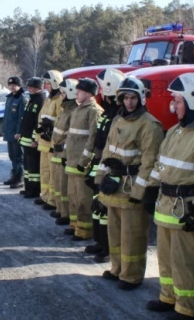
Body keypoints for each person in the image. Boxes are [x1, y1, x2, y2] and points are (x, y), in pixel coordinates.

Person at [143, 73, 194, 320]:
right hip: (166, 207)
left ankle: (188, 308)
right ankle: (169, 297)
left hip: (185, 210)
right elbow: (161, 163)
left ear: (193, 100)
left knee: (186, 263)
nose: (173, 105)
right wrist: (150, 187)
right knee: (166, 259)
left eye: (177, 100)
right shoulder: (176, 131)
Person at [95, 76, 164, 290]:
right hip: (114, 186)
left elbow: (149, 161)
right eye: (125, 97)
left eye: (133, 97)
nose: (129, 102)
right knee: (114, 232)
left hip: (131, 187)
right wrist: (99, 178)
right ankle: (117, 269)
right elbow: (108, 151)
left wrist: (139, 191)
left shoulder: (150, 125)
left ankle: (131, 275)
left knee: (132, 236)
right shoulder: (118, 120)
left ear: (141, 98)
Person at [84, 68, 125, 262]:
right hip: (99, 165)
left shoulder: (117, 116)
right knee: (97, 206)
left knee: (105, 209)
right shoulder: (108, 113)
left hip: (108, 168)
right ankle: (100, 242)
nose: (99, 91)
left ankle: (108, 248)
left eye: (102, 87)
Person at [64, 78, 103, 241]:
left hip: (82, 162)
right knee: (73, 196)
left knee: (83, 199)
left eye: (79, 91)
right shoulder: (78, 109)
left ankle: (85, 230)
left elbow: (93, 138)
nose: (76, 94)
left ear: (88, 93)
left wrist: (84, 161)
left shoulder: (94, 110)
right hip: (72, 161)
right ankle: (75, 225)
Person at [50, 79, 79, 225]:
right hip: (58, 151)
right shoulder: (65, 109)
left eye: (63, 93)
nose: (61, 95)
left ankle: (67, 215)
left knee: (66, 187)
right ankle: (62, 211)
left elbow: (70, 136)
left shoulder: (73, 111)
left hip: (65, 153)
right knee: (59, 185)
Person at [34, 70, 64, 209]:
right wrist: (37, 137)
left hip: (52, 142)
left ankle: (52, 201)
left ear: (55, 83)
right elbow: (40, 117)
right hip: (44, 142)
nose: (45, 86)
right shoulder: (49, 99)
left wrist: (50, 125)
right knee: (44, 171)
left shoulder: (59, 100)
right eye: (45, 83)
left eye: (48, 83)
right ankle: (45, 196)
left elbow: (62, 121)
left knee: (53, 173)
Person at [19, 77, 45, 198]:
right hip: (26, 139)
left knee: (33, 166)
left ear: (38, 88)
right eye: (28, 87)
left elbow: (37, 122)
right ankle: (28, 187)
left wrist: (35, 139)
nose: (29, 89)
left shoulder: (40, 101)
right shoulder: (32, 99)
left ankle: (34, 190)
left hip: (32, 141)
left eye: (31, 87)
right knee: (27, 166)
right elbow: (26, 119)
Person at [2, 76, 27, 188]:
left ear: (19, 86)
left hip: (16, 134)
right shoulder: (10, 97)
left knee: (18, 157)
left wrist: (19, 132)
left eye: (14, 85)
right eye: (10, 85)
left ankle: (20, 178)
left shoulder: (22, 99)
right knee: (12, 156)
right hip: (9, 132)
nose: (12, 87)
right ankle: (14, 176)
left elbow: (21, 118)